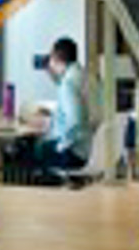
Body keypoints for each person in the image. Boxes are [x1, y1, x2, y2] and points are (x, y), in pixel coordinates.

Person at [25, 37, 92, 180]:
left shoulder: (67, 83)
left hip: (74, 152)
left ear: (56, 58)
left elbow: (74, 121)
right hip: (88, 148)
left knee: (29, 151)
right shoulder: (81, 74)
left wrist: (60, 146)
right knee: (40, 146)